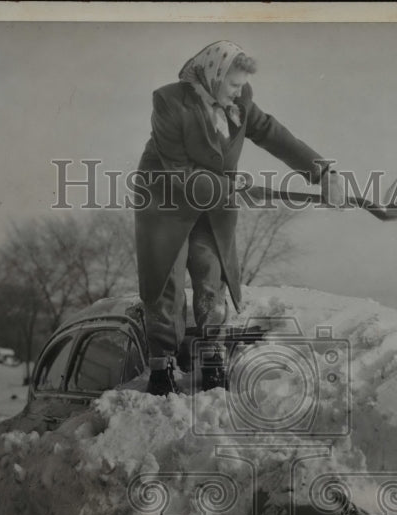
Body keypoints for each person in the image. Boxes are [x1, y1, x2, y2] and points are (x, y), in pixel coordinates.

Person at [135, 41, 344, 396]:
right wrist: (231, 187)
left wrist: (322, 173)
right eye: (233, 84)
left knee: (211, 271)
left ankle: (213, 354)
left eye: (241, 85)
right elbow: (177, 168)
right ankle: (162, 364)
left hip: (214, 200)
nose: (238, 91)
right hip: (166, 198)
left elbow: (275, 135)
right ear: (213, 74)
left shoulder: (241, 100)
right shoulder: (169, 101)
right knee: (167, 278)